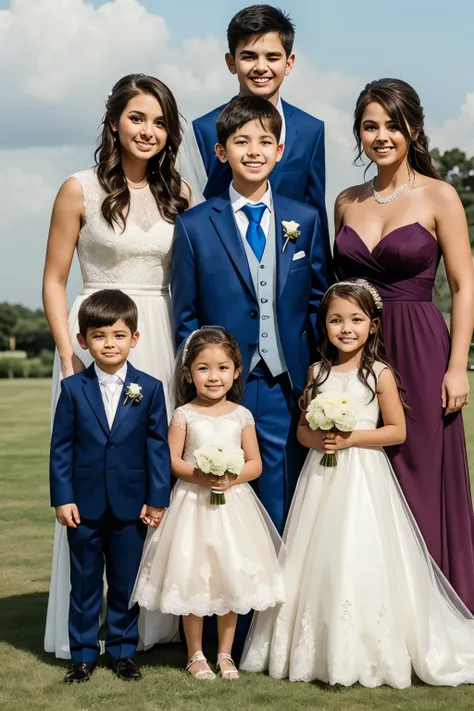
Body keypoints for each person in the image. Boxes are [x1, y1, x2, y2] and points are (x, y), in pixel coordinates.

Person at [241, 280, 474, 687]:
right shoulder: (317, 371)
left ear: (373, 325)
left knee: (359, 547)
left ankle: (366, 646)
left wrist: (352, 438)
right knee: (320, 552)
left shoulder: (379, 373)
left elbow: (396, 431)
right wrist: (322, 438)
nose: (345, 329)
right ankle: (313, 647)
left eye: (355, 320)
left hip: (364, 476)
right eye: (335, 320)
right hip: (321, 476)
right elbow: (301, 432)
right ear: (324, 325)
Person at [43, 73, 190, 659]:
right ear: (113, 122)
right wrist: (65, 350)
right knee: (91, 473)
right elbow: (54, 280)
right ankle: (82, 629)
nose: (148, 130)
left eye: (159, 121)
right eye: (137, 118)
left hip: (160, 337)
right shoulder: (77, 189)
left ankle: (150, 625)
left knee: (155, 474)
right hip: (96, 334)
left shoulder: (179, 190)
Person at [333, 78, 474, 611]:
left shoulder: (439, 196)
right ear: (359, 134)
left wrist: (457, 365)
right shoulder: (347, 201)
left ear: (414, 128)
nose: (382, 135)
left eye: (393, 124)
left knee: (417, 471)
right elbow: (336, 290)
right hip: (358, 351)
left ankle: (431, 608)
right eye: (371, 126)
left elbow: (464, 286)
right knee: (363, 475)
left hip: (420, 346)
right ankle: (369, 609)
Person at [172, 96, 330, 533]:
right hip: (223, 387)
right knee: (223, 494)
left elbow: (319, 302)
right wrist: (199, 387)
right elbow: (185, 316)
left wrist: (319, 372)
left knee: (284, 493)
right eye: (241, 141)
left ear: (280, 151)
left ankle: (275, 596)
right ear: (221, 152)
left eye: (265, 141)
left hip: (287, 384)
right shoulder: (195, 225)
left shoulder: (305, 219)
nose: (254, 151)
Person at [131, 326, 284, 680]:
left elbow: (255, 463)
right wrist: (201, 474)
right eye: (203, 368)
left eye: (221, 368)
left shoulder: (241, 415)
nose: (213, 376)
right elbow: (172, 460)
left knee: (231, 577)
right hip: (192, 505)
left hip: (234, 507)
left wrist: (230, 477)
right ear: (188, 374)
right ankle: (196, 653)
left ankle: (226, 654)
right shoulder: (185, 414)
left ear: (236, 371)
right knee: (193, 577)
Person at [50, 290, 171, 683]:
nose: (109, 344)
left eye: (119, 335)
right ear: (83, 340)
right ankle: (83, 655)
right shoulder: (72, 389)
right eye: (99, 336)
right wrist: (62, 497)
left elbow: (157, 447)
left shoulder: (150, 388)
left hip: (131, 504)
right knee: (84, 583)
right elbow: (61, 448)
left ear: (134, 339)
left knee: (124, 581)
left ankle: (122, 652)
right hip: (82, 506)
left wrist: (157, 498)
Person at [178, 4, 328, 240]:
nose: (261, 67)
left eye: (272, 57)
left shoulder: (311, 130)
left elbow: (316, 216)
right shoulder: (203, 130)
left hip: (290, 269)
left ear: (289, 63)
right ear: (231, 62)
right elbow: (191, 210)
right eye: (249, 56)